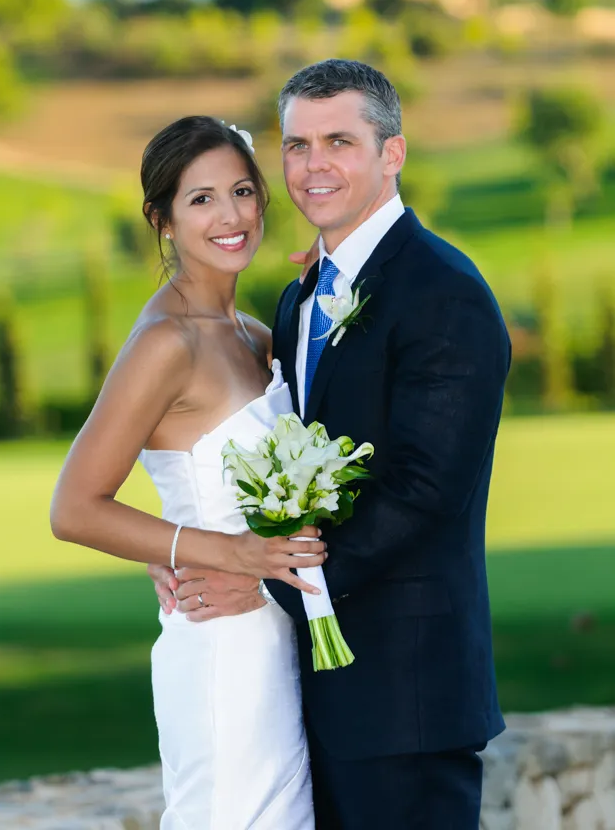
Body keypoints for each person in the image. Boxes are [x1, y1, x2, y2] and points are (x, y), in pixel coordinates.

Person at [150, 59, 511, 829]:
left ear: (392, 154)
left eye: (339, 141)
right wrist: (189, 543)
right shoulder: (301, 295)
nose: (313, 166)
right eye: (296, 145)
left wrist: (266, 581)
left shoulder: (441, 290)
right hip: (306, 688)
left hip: (404, 693)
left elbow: (421, 492)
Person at [50, 116, 325, 829]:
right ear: (162, 219)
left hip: (276, 637)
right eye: (200, 199)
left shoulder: (256, 335)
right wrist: (221, 552)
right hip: (220, 652)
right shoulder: (164, 343)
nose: (230, 216)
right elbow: (75, 507)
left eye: (241, 191)